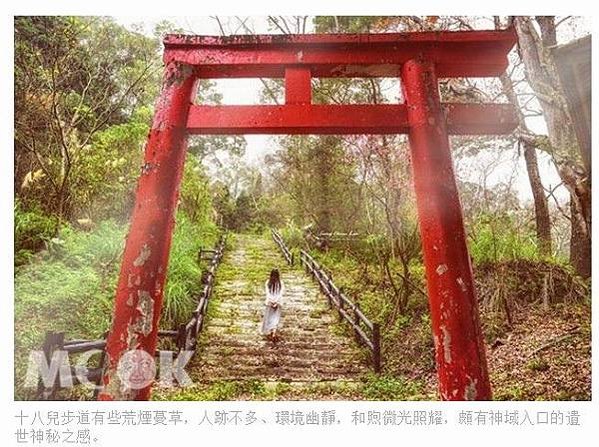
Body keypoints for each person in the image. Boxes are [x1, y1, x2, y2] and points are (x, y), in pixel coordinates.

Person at [261, 269, 284, 341]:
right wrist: (276, 301)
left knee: (269, 317)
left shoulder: (268, 282)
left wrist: (271, 301)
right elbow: (281, 293)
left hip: (269, 303)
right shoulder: (281, 283)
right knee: (276, 317)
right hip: (278, 302)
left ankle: (270, 331)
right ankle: (274, 332)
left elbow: (267, 293)